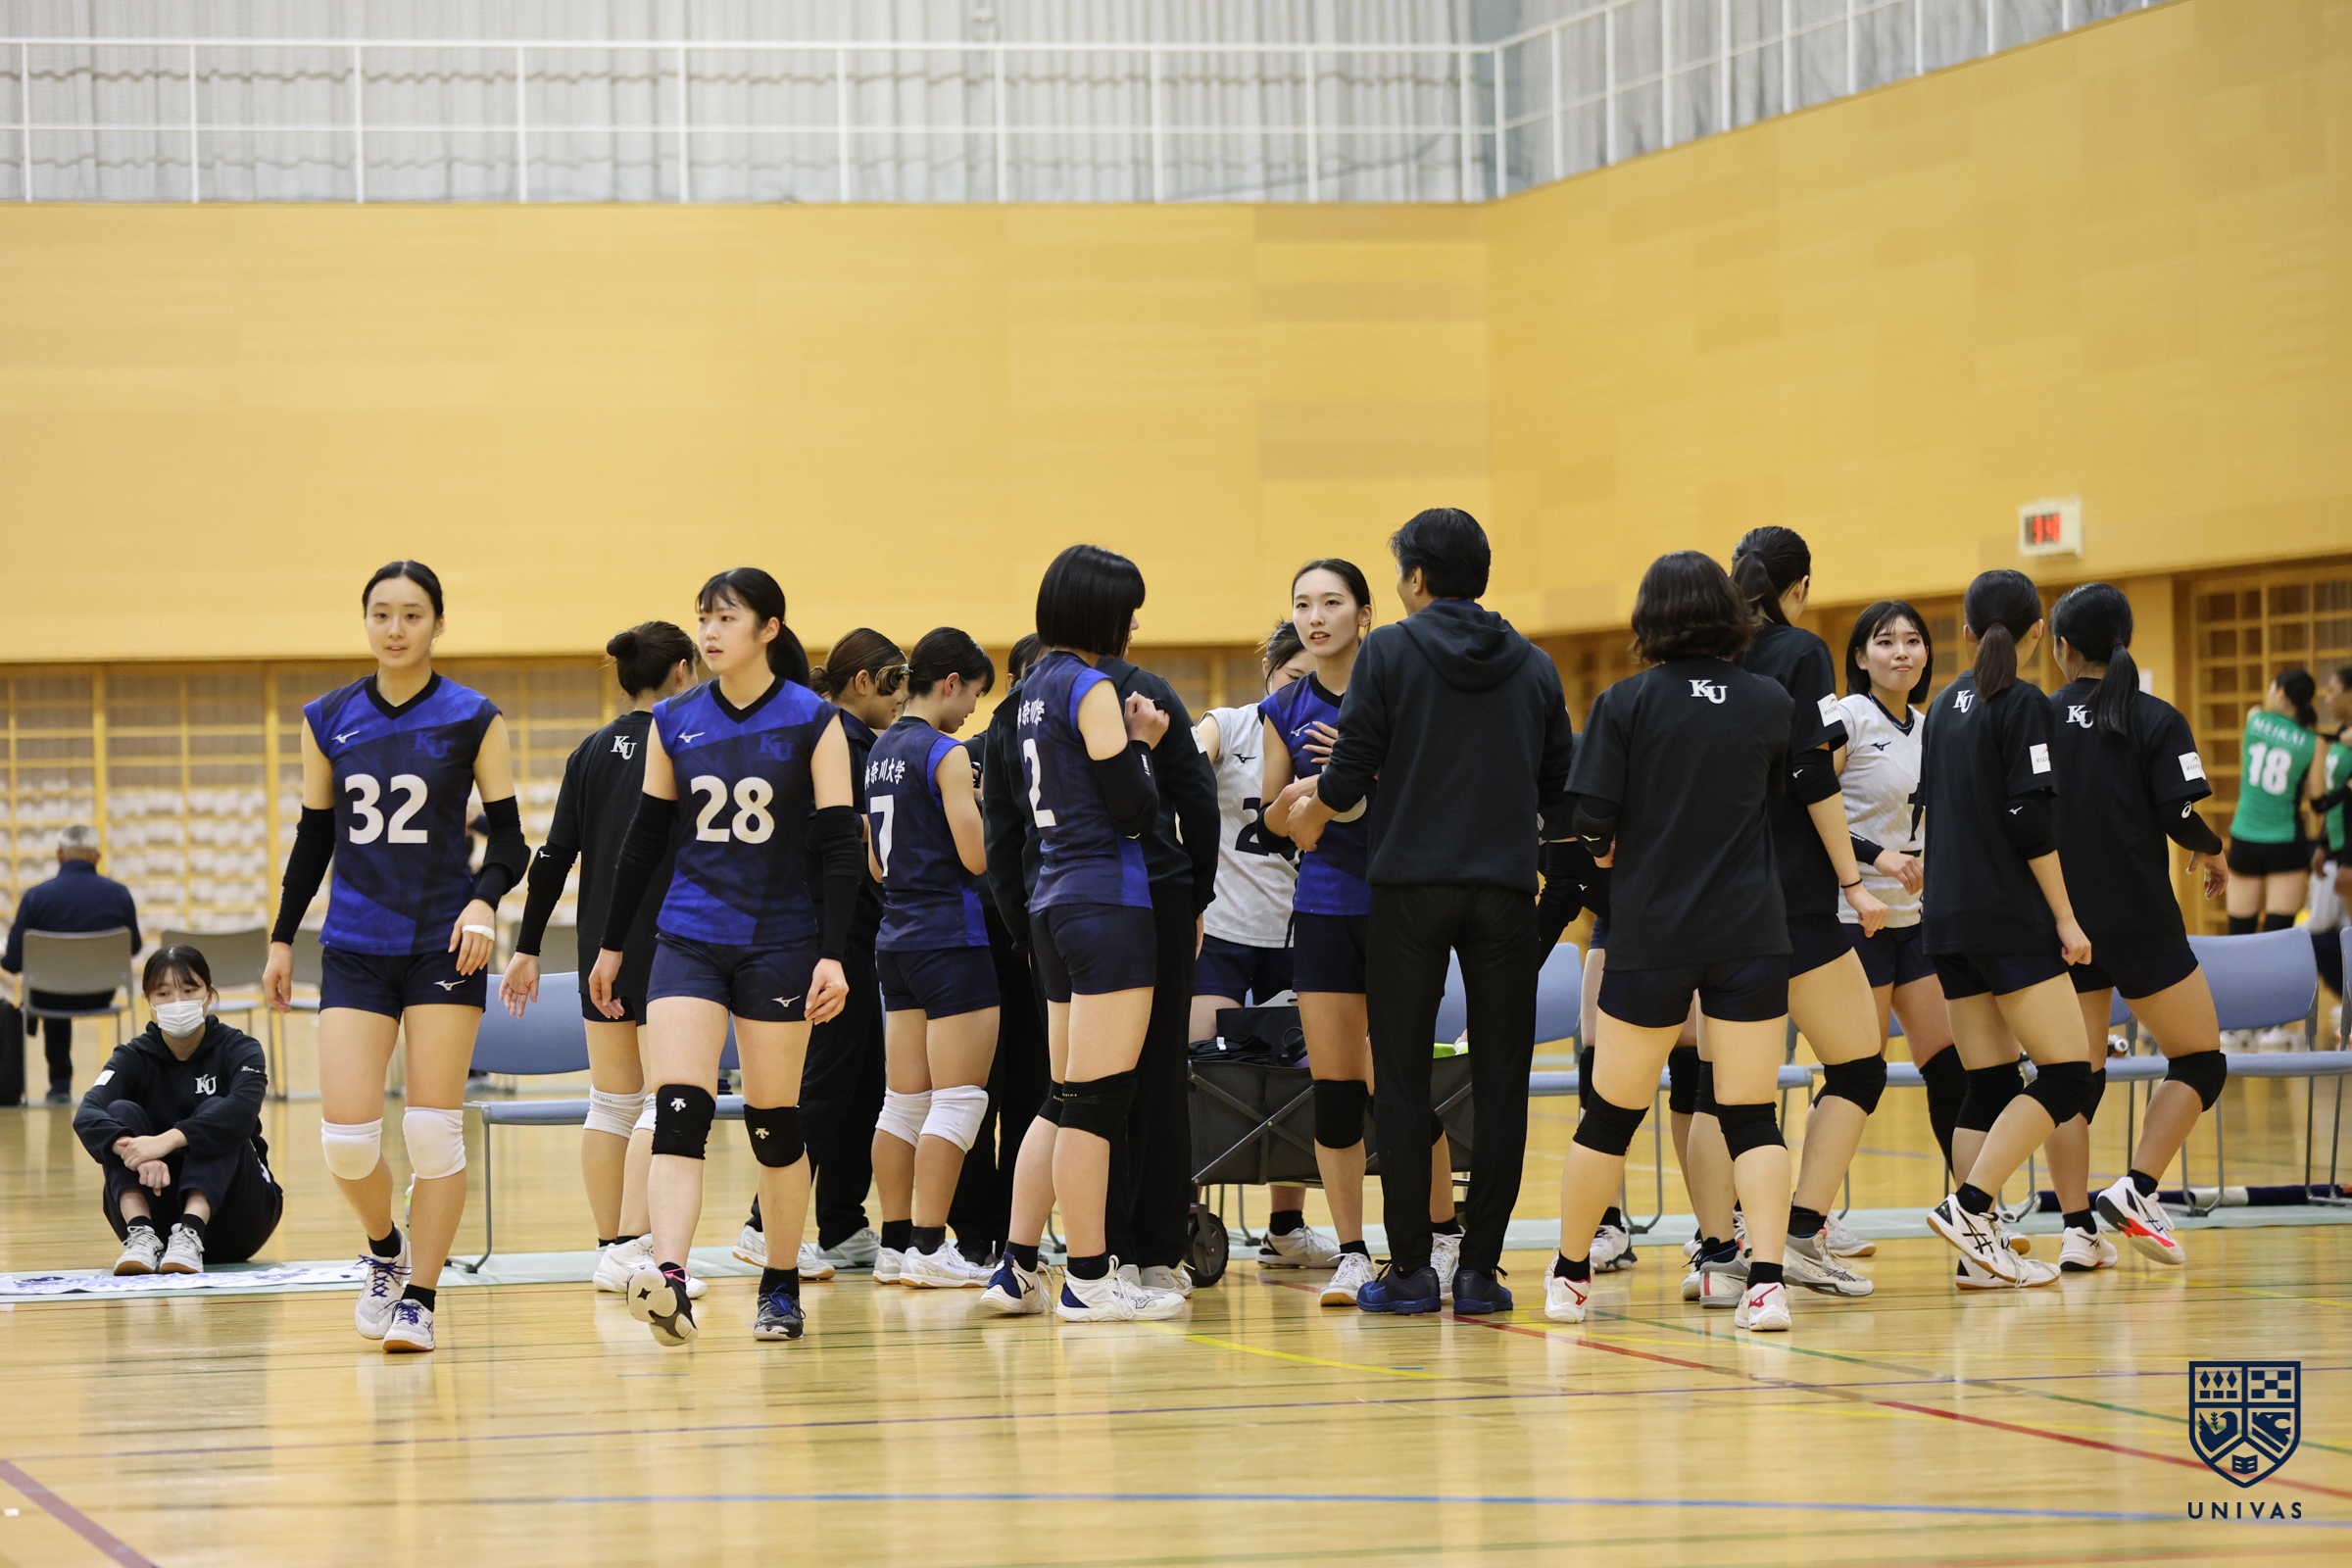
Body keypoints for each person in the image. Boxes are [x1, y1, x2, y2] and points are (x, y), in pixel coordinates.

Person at [1285, 511, 1576, 1318]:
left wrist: (1314, 811)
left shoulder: (1389, 651)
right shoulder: (1535, 663)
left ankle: (1412, 1269)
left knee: (1404, 1077)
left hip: (1409, 890)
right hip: (1505, 891)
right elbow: (1561, 789)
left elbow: (1352, 763)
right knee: (1502, 1081)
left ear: (1415, 578)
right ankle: (1479, 1272)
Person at [590, 567, 861, 1348]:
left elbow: (841, 848)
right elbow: (644, 841)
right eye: (703, 618)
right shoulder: (673, 721)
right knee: (679, 1107)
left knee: (774, 1126)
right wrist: (612, 943)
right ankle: (669, 1278)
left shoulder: (814, 721)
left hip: (780, 941)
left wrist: (833, 956)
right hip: (688, 937)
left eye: (727, 618)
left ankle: (780, 1283)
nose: (710, 632)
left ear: (769, 629)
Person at [262, 561, 527, 1353]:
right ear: (366, 622)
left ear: (438, 624)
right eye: (382, 613)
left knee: (432, 1132)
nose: (396, 628)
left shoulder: (473, 717)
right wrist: (282, 936)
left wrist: (484, 900)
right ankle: (386, 1247)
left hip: (443, 943)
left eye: (413, 614)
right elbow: (314, 838)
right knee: (346, 1141)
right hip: (355, 945)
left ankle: (421, 1298)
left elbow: (510, 839)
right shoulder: (327, 717)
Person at [1548, 551, 1793, 1332]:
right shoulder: (1770, 700)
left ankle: (1570, 1277)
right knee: (1751, 1115)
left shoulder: (1625, 702)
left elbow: (1589, 820)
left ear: (1649, 617)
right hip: (1751, 930)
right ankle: (1766, 1286)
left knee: (1609, 1116)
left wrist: (1609, 847)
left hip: (1652, 932)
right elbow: (1775, 798)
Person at [978, 544, 1187, 1323]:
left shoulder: (1031, 688)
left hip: (1052, 904)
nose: (1133, 626)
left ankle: (1016, 1267)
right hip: (1106, 902)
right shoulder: (1093, 687)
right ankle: (1092, 1280)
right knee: (1098, 1102)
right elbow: (1133, 811)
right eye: (1128, 611)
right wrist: (1145, 743)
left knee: (1064, 1097)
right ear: (1103, 613)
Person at [1261, 560, 1461, 1306]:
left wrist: (1355, 770)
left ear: (1365, 614)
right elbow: (1277, 823)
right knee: (1337, 1091)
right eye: (1303, 604)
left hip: (1399, 906)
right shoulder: (1283, 708)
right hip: (1323, 910)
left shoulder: (1404, 691)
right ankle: (1351, 1252)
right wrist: (1304, 795)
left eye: (1332, 603)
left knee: (1401, 1085)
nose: (1315, 618)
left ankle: (1442, 1235)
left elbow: (1430, 797)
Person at [501, 620, 710, 1298]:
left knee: (612, 1102)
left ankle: (611, 1251)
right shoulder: (689, 741)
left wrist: (527, 946)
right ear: (683, 670)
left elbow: (552, 857)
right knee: (663, 1099)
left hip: (600, 946)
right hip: (672, 942)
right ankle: (638, 1245)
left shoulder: (590, 751)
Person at [1709, 528, 1882, 1300]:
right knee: (1858, 1065)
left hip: (1713, 897)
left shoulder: (1706, 658)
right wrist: (1853, 881)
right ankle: (1802, 1233)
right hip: (1791, 897)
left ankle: (1718, 1251)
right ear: (1800, 587)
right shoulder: (1801, 651)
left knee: (1717, 1090)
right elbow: (1814, 772)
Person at [2040, 583, 2227, 1270]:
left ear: (2063, 648)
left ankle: (2076, 1232)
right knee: (2200, 1061)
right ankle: (2137, 1188)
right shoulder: (2155, 716)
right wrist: (2212, 849)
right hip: (2140, 919)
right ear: (2125, 641)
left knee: (2072, 1079)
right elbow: (2180, 813)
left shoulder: (2038, 717)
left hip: (2061, 923)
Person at [1918, 569, 2094, 1293]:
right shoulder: (2024, 704)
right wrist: (2066, 917)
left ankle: (1977, 1254)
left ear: (1965, 632)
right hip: (2008, 920)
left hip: (1947, 919)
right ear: (2036, 634)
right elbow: (2029, 821)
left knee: (1988, 1084)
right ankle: (1970, 1206)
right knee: (2067, 1073)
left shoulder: (1941, 707)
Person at [736, 629, 906, 1279]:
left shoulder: (864, 743)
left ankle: (842, 1222)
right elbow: (817, 834)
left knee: (861, 1086)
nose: (903, 694)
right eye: (895, 679)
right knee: (823, 1085)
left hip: (857, 932)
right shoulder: (830, 739)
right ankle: (763, 1224)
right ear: (863, 681)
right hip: (821, 935)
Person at [1190, 619, 1342, 1270]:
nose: (1303, 691)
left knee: (1299, 1081)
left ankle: (1286, 1227)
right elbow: (1190, 756)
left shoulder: (1338, 736)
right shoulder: (1230, 725)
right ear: (1269, 672)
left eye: (1317, 679)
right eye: (1293, 677)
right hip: (1223, 933)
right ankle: (1184, 1217)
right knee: (1200, 1074)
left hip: (1298, 932)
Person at [865, 627, 1001, 1290]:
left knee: (902, 1102)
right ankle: (928, 1246)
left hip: (896, 939)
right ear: (950, 683)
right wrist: (984, 806)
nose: (972, 710)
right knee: (959, 1101)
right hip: (951, 938)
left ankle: (895, 1246)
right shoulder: (946, 754)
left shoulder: (880, 750)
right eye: (973, 694)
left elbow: (875, 864)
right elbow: (976, 857)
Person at [1096, 622, 1220, 1298]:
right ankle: (1155, 1252)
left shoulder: (1029, 700)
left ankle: (1100, 1254)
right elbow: (1197, 803)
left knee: (1086, 1085)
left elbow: (1008, 821)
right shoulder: (1147, 692)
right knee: (1161, 1077)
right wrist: (1193, 895)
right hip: (1154, 898)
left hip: (1069, 910)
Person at [1836, 602, 1966, 1176]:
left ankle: (1971, 1205)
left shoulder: (1931, 725)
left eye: (1912, 641)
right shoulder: (1846, 718)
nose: (1901, 653)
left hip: (1913, 920)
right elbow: (1806, 813)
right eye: (1885, 642)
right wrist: (1875, 857)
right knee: (1859, 1074)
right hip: (1853, 918)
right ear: (1861, 658)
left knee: (1951, 1064)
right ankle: (1810, 1211)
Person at [76, 946, 281, 1275]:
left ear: (209, 995)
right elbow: (87, 1114)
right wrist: (134, 1151)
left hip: (239, 1217)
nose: (177, 1002)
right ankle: (140, 1233)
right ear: (149, 1001)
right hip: (159, 1210)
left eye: (189, 990)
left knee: (218, 1110)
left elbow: (242, 1111)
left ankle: (191, 1231)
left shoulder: (240, 1049)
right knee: (118, 1113)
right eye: (164, 993)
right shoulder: (132, 1057)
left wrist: (166, 1141)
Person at [3, 824, 140, 1102]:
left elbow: (13, 963)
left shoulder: (36, 897)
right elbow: (133, 946)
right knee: (55, 987)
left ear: (59, 855)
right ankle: (120, 1082)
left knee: (51, 990)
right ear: (96, 856)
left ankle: (60, 1084)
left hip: (50, 998)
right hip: (101, 993)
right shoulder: (120, 895)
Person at [2225, 668, 2323, 941]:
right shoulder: (2313, 743)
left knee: (2239, 936)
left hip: (2245, 836)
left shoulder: (2254, 718)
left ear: (2280, 693)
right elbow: (2318, 799)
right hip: (2285, 840)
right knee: (2278, 938)